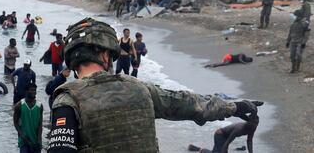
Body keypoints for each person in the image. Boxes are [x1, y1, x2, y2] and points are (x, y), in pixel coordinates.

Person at [47, 18, 262, 153]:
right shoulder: (141, 89)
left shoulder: (67, 100)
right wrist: (235, 106)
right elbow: (193, 104)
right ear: (105, 54)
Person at [188, 114, 259, 153]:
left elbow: (249, 141)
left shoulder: (253, 128)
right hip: (220, 135)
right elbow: (227, 142)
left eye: (256, 123)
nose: (256, 125)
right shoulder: (239, 128)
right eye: (255, 123)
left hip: (226, 137)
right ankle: (202, 150)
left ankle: (197, 149)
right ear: (248, 122)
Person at [14, 83, 43, 153]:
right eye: (32, 90)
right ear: (26, 91)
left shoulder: (39, 106)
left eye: (35, 90)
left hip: (35, 140)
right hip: (24, 141)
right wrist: (22, 136)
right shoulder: (19, 105)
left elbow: (40, 125)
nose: (34, 92)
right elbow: (15, 122)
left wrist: (39, 141)